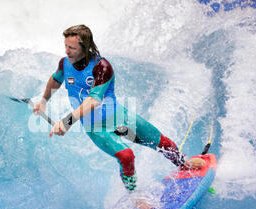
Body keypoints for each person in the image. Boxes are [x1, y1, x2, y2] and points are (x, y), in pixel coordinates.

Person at [33, 25, 204, 192]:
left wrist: (67, 122)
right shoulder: (65, 63)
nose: (67, 51)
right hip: (97, 128)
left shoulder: (102, 67)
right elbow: (56, 79)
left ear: (85, 48)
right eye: (66, 46)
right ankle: (134, 194)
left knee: (160, 142)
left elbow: (93, 100)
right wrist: (43, 101)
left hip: (119, 118)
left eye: (72, 47)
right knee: (126, 156)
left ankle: (183, 164)